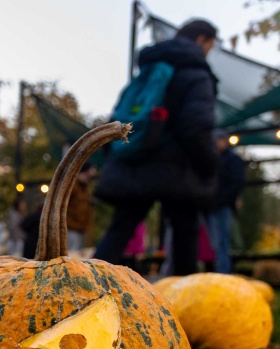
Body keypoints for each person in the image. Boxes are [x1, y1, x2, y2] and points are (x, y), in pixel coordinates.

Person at [94, 19, 220, 276]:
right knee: (185, 231)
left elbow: (120, 115)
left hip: (135, 159)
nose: (209, 51)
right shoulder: (196, 72)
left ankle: (79, 287)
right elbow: (195, 127)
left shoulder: (151, 67)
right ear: (202, 39)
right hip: (175, 166)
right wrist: (209, 166)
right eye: (211, 45)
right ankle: (184, 300)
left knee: (119, 230)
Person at [207, 129, 246, 273]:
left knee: (223, 241)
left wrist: (226, 199)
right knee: (215, 243)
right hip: (211, 206)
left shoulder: (233, 160)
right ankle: (218, 271)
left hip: (224, 205)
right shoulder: (212, 159)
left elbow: (237, 182)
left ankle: (223, 273)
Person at [66, 164, 96, 253]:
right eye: (88, 174)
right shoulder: (72, 186)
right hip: (71, 228)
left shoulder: (85, 188)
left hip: (81, 229)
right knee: (71, 255)